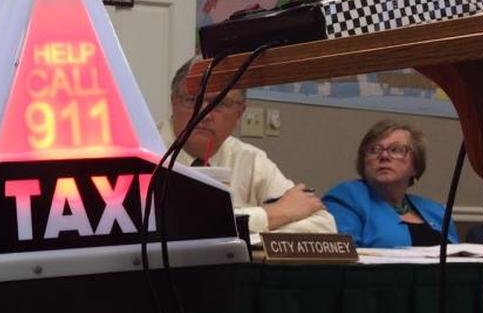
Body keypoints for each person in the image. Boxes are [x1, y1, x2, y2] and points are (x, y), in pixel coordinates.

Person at [162, 58, 336, 234]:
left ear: (240, 114)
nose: (204, 114)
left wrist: (243, 227)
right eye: (193, 100)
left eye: (220, 103)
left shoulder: (251, 160)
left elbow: (324, 226)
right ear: (173, 102)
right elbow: (169, 228)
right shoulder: (147, 154)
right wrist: (271, 215)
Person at [323, 120, 456, 247]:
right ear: (363, 162)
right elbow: (346, 258)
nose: (384, 156)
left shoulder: (437, 212)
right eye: (374, 150)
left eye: (396, 150)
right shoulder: (347, 198)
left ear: (415, 165)